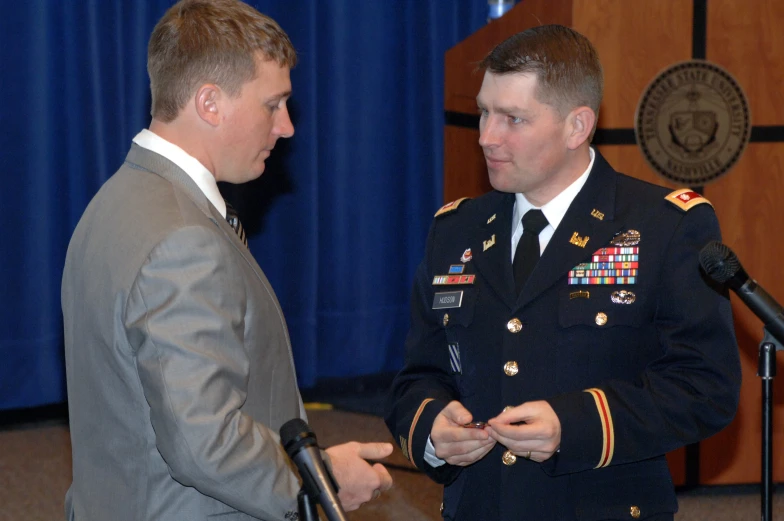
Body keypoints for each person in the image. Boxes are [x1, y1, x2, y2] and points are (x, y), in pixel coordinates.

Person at [386, 25, 741, 521]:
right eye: (484, 113)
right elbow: (418, 376)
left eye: (513, 119)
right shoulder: (457, 228)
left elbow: (706, 388)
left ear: (577, 126)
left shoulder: (663, 225)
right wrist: (431, 431)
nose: (487, 137)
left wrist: (574, 426)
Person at [61, 1, 392, 519]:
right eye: (273, 104)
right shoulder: (181, 239)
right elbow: (204, 443)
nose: (286, 127)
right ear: (210, 103)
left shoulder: (116, 200)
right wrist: (315, 482)